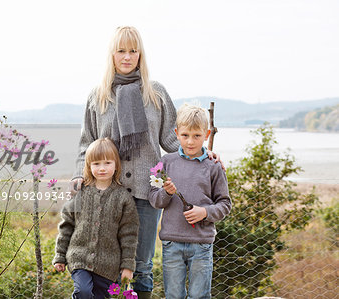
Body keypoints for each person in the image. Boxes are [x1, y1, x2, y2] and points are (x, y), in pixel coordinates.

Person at [70, 26, 221, 298]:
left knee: (142, 265)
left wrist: (201, 153)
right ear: (112, 54)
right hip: (107, 193)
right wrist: (78, 176)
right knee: (107, 265)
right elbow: (87, 142)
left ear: (140, 54)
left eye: (133, 51)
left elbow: (173, 139)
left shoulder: (156, 93)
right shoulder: (98, 96)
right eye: (121, 51)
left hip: (148, 193)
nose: (127, 57)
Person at [148, 103, 232, 299]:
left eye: (197, 136)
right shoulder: (165, 162)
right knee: (173, 295)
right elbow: (155, 200)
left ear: (207, 134)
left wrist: (205, 212)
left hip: (201, 244)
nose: (191, 141)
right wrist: (167, 193)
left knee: (199, 295)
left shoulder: (213, 167)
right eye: (185, 135)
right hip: (172, 243)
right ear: (177, 133)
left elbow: (225, 204)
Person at [54, 138, 139, 299]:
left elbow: (129, 234)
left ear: (116, 165)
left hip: (108, 265)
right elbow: (67, 226)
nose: (102, 168)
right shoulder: (80, 194)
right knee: (83, 291)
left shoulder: (123, 198)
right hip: (79, 258)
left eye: (107, 163)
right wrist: (60, 255)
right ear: (88, 166)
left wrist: (127, 265)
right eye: (96, 164)